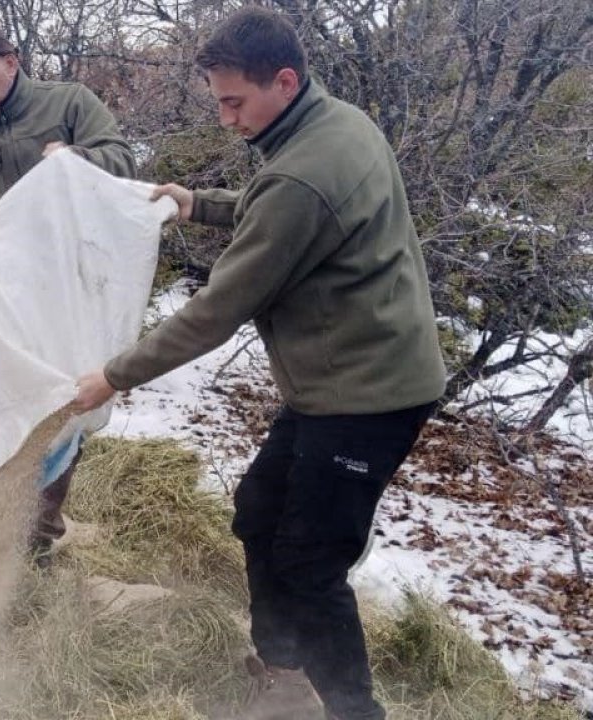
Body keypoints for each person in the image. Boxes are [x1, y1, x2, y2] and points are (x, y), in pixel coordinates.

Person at [71, 8, 446, 720]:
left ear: (284, 80)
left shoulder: (302, 170)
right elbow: (278, 206)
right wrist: (199, 203)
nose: (225, 118)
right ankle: (283, 673)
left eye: (234, 101)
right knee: (259, 513)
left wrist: (112, 376)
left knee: (311, 563)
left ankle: (351, 711)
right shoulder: (335, 124)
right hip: (339, 382)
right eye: (217, 101)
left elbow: (219, 308)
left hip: (367, 398)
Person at [0, 20, 136, 565]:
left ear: (11, 62)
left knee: (60, 396)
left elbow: (121, 158)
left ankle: (37, 532)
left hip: (64, 283)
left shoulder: (69, 103)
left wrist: (74, 160)